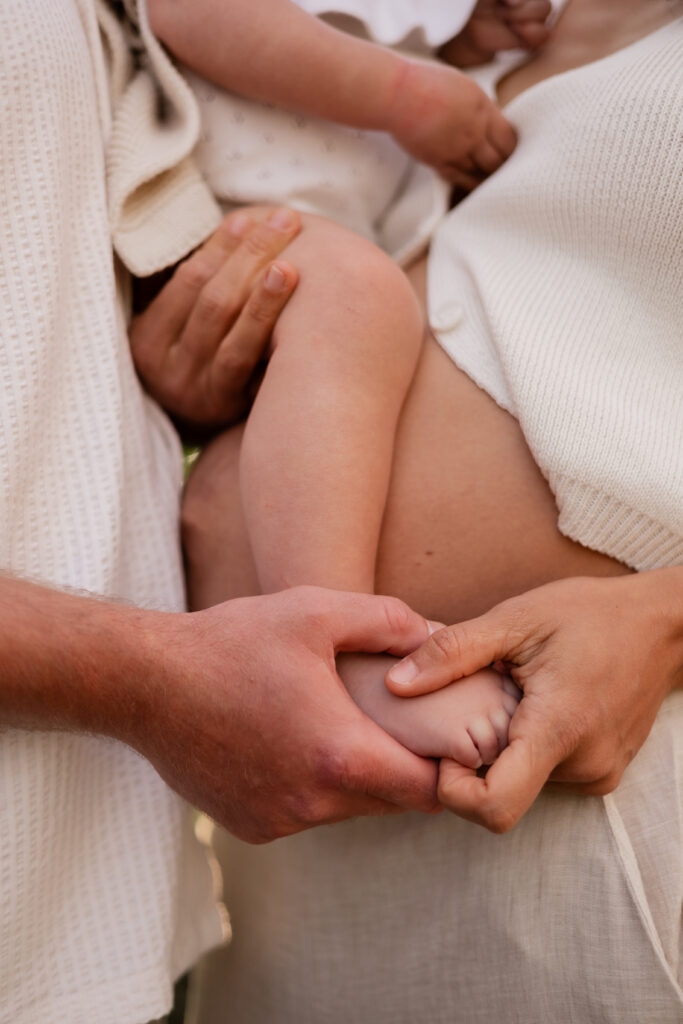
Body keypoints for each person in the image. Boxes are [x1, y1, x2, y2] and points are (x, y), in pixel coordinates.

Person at [179, 0, 683, 1020]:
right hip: (303, 881)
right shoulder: (454, 20)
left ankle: (341, 642)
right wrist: (192, 372)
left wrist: (663, 621)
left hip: (608, 848)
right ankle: (332, 644)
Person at [0, 4, 446, 1022]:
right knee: (356, 295)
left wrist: (173, 389)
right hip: (86, 773)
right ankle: (335, 644)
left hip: (96, 887)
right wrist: (150, 679)